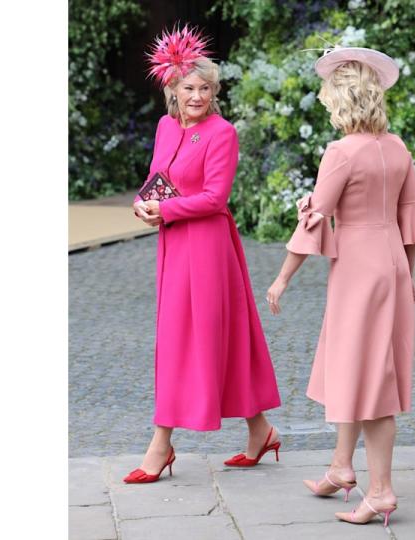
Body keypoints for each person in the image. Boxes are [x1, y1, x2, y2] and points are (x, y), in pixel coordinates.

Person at [265, 47, 415, 525]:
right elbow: (412, 224)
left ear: (342, 101)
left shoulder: (340, 153)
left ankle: (381, 490)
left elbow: (314, 221)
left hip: (359, 271)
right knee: (358, 367)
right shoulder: (398, 147)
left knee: (370, 378)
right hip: (391, 268)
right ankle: (342, 467)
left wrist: (281, 279)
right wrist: (407, 279)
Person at [124, 26, 282, 484]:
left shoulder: (222, 132)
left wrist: (165, 209)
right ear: (172, 89)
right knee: (199, 337)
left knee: (200, 338)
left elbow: (215, 198)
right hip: (175, 245)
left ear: (215, 91)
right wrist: (144, 204)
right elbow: (158, 177)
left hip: (210, 248)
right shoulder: (165, 126)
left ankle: (161, 444)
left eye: (206, 88)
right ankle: (261, 431)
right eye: (189, 87)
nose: (197, 96)